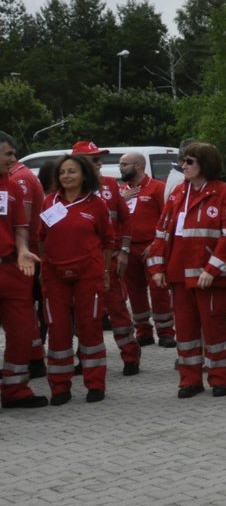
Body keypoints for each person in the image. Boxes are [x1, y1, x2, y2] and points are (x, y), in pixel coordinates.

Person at [147, 143, 226, 398]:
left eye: (189, 162)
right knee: (185, 331)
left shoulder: (223, 193)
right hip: (178, 274)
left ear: (205, 164)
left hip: (209, 277)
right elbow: (161, 233)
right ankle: (189, 380)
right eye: (183, 161)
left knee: (214, 329)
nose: (183, 166)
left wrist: (213, 269)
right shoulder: (178, 193)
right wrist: (157, 267)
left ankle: (220, 378)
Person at [38, 153, 114, 405]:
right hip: (54, 275)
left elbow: (107, 241)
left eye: (72, 171)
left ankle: (95, 384)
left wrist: (104, 272)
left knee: (89, 326)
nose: (66, 176)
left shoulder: (96, 204)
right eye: (62, 172)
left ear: (84, 174)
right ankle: (60, 387)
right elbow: (40, 239)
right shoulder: (49, 202)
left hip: (88, 275)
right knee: (58, 330)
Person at [73, 141, 140, 378]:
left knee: (118, 310)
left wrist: (123, 251)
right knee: (85, 313)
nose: (99, 162)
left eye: (100, 158)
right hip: (81, 263)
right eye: (94, 159)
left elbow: (125, 220)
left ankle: (130, 356)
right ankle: (86, 358)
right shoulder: (67, 190)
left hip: (109, 261)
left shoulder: (111, 185)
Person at [0, 132, 45, 410]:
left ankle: (15, 389)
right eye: (7, 154)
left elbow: (20, 228)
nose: (13, 159)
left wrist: (23, 249)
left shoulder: (13, 187)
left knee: (21, 332)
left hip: (13, 269)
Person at [118, 150, 172, 351]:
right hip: (129, 248)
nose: (120, 168)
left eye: (124, 164)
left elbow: (166, 219)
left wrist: (157, 245)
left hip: (151, 247)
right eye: (120, 164)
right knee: (135, 292)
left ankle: (166, 332)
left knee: (159, 290)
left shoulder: (157, 188)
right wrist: (121, 199)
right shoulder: (121, 190)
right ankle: (143, 331)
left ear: (139, 165)